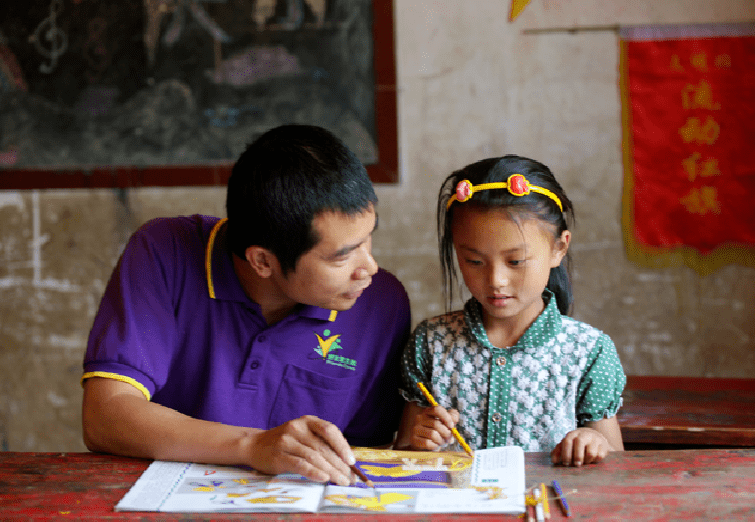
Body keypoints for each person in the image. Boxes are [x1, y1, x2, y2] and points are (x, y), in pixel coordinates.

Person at [82, 124, 411, 487]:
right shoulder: (164, 253)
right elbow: (105, 417)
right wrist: (254, 446)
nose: (369, 267)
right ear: (262, 262)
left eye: (368, 240)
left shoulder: (381, 303)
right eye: (342, 257)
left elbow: (367, 456)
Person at [395, 155, 625, 466]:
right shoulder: (432, 344)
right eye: (474, 261)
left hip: (545, 509)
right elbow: (402, 456)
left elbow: (617, 465)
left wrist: (593, 442)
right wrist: (420, 443)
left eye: (515, 261)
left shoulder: (588, 352)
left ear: (559, 248)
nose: (495, 280)